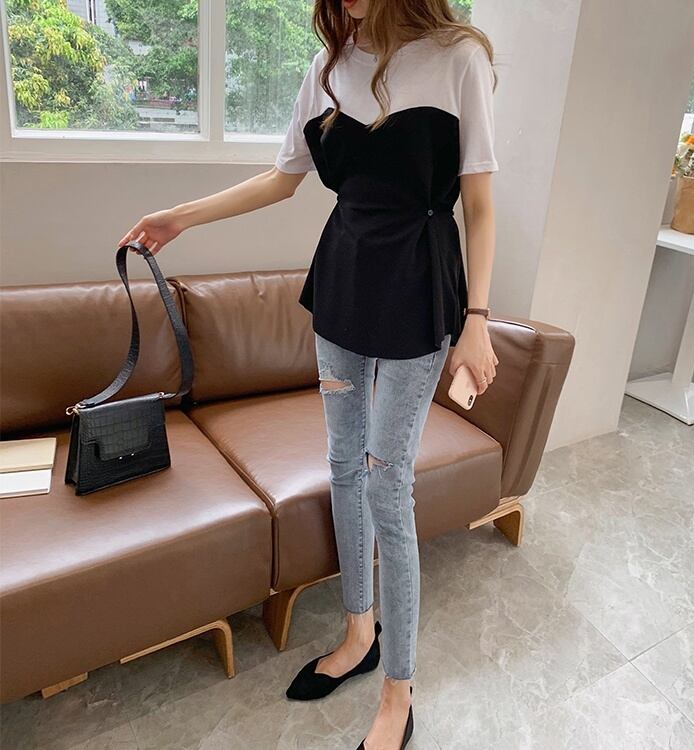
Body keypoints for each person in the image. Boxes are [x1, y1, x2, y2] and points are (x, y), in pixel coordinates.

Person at [117, 1, 499, 747]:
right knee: (343, 467)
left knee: (388, 484)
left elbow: (480, 206)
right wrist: (178, 217)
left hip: (419, 290)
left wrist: (477, 319)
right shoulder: (328, 66)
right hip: (343, 287)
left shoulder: (458, 57)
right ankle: (358, 634)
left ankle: (399, 691)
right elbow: (280, 178)